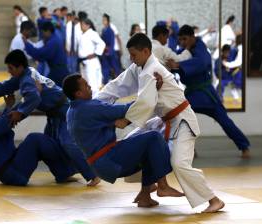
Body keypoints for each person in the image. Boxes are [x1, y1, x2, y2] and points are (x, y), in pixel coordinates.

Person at [96, 33, 225, 213]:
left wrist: (125, 120)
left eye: (134, 55)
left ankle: (214, 200)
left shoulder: (152, 70)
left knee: (179, 163)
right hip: (163, 121)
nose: (131, 59)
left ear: (146, 51)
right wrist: (94, 103)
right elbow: (118, 85)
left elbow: (147, 102)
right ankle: (145, 193)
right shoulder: (139, 68)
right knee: (135, 145)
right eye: (130, 55)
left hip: (182, 121)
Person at [0, 50, 100, 186]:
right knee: (48, 144)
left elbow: (34, 97)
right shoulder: (26, 74)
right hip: (54, 113)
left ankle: (92, 175)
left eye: (10, 68)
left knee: (67, 144)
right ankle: (63, 174)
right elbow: (7, 85)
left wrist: (20, 113)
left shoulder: (27, 80)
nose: (9, 71)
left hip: (63, 112)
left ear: (19, 67)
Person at [63, 74, 185, 207]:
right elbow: (125, 109)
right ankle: (162, 185)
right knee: (153, 137)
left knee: (146, 147)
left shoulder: (72, 111)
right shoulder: (88, 108)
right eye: (86, 86)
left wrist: (120, 121)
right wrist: (152, 91)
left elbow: (105, 119)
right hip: (109, 159)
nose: (90, 87)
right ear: (79, 93)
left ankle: (145, 196)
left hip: (100, 164)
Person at [166, 25, 250, 158]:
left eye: (185, 39)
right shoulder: (184, 49)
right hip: (193, 95)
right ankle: (190, 150)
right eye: (180, 40)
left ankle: (244, 146)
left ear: (193, 37)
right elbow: (178, 61)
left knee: (225, 122)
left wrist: (179, 65)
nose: (182, 42)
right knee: (181, 118)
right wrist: (172, 65)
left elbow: (201, 63)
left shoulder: (200, 48)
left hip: (206, 94)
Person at [0, 95, 76, 186]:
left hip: (10, 173)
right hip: (13, 173)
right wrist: (28, 99)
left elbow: (1, 123)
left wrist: (9, 107)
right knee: (35, 140)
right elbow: (5, 121)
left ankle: (63, 174)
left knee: (40, 146)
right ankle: (70, 161)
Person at [23, 21, 69, 87]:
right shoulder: (55, 37)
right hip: (58, 70)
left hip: (58, 72)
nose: (42, 35)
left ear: (48, 31)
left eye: (43, 33)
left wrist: (27, 44)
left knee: (48, 89)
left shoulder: (53, 42)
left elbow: (41, 54)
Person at [78, 18, 105, 95]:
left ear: (88, 25)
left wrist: (95, 53)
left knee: (93, 84)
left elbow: (102, 44)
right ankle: (91, 101)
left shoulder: (92, 33)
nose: (81, 26)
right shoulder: (83, 34)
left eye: (82, 24)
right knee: (86, 82)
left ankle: (96, 101)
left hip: (91, 61)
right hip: (84, 62)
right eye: (81, 24)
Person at [101, 13, 121, 84]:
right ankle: (105, 82)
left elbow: (112, 42)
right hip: (105, 51)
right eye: (102, 20)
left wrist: (109, 51)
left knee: (116, 68)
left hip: (110, 52)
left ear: (108, 21)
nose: (103, 21)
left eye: (104, 20)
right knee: (106, 68)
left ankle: (120, 82)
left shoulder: (110, 30)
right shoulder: (104, 30)